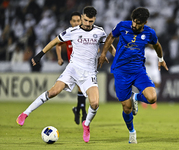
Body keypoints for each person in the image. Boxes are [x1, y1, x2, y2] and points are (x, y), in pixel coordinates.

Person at [16, 6, 115, 143]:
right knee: (53, 92)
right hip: (73, 69)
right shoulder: (72, 31)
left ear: (94, 20)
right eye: (85, 20)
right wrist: (39, 55)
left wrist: (118, 60)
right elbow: (54, 42)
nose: (87, 24)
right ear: (82, 17)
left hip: (89, 73)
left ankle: (86, 125)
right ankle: (25, 114)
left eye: (90, 21)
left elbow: (109, 45)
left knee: (95, 103)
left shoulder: (99, 32)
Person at [98, 7, 168, 144]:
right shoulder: (123, 26)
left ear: (145, 22)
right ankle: (132, 132)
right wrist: (102, 54)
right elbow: (110, 37)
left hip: (138, 71)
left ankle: (136, 96)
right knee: (126, 107)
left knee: (152, 97)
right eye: (134, 22)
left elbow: (157, 45)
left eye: (138, 23)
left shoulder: (149, 33)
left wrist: (161, 59)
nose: (135, 25)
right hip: (121, 71)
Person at [55, 11, 87, 125]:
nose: (76, 23)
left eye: (78, 21)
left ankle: (78, 110)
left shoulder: (85, 33)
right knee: (81, 88)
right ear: (70, 22)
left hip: (85, 65)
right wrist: (59, 58)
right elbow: (58, 44)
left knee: (82, 89)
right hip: (74, 66)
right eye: (74, 21)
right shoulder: (68, 33)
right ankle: (83, 113)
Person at [141, 44, 161, 109]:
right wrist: (146, 62)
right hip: (148, 70)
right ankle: (144, 101)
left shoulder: (157, 50)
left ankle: (153, 100)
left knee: (157, 84)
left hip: (155, 70)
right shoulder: (146, 51)